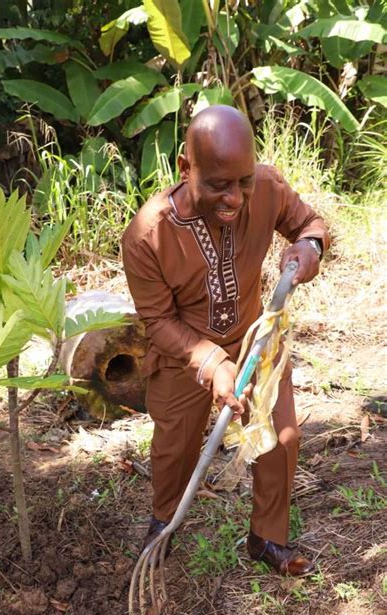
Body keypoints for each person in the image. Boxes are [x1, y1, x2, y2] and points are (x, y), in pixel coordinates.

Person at [122, 105, 330, 576]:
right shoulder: (147, 235)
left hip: (257, 339)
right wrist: (212, 363)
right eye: (218, 184)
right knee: (175, 448)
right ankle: (163, 529)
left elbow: (309, 224)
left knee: (282, 439)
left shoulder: (268, 188)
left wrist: (309, 247)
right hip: (184, 354)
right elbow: (156, 321)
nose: (234, 198)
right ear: (184, 167)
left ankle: (266, 538)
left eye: (243, 182)